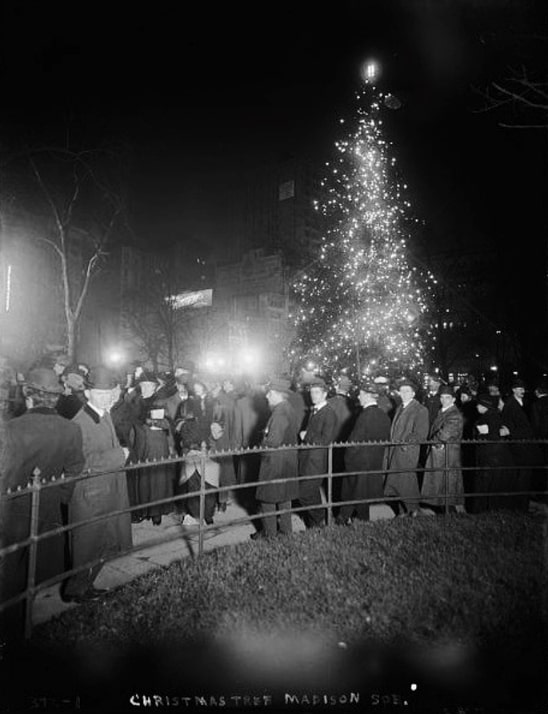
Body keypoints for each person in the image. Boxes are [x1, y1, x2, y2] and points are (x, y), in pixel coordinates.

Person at [0, 368, 84, 641]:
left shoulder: (11, 429)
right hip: (47, 507)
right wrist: (60, 497)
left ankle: (10, 630)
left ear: (29, 396)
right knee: (35, 565)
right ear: (55, 398)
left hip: (11, 509)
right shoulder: (71, 429)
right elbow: (74, 469)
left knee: (10, 571)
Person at [62, 366, 132, 603]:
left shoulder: (103, 414)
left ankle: (84, 586)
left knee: (105, 543)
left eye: (109, 392)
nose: (106, 397)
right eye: (99, 393)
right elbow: (79, 463)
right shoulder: (80, 423)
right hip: (90, 496)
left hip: (106, 491)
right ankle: (76, 590)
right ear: (88, 393)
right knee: (87, 546)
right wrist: (119, 455)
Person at [337, 383, 390, 524]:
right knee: (361, 494)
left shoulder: (365, 415)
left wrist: (347, 458)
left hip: (359, 461)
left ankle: (349, 519)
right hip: (374, 461)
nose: (359, 396)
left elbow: (354, 441)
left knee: (353, 492)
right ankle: (347, 519)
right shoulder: (382, 415)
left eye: (361, 394)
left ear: (367, 395)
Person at [253, 377, 299, 538]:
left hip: (275, 462)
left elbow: (273, 440)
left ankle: (270, 534)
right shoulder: (289, 408)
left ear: (278, 394)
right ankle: (286, 532)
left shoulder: (279, 412)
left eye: (270, 393)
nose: (267, 396)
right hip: (288, 460)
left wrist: (261, 441)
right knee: (285, 498)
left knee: (267, 499)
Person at [384, 379, 429, 516]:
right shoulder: (399, 408)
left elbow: (421, 433)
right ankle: (403, 511)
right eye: (402, 391)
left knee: (407, 480)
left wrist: (407, 445)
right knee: (397, 481)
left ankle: (414, 509)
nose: (403, 393)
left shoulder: (420, 409)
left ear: (413, 393)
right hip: (395, 451)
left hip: (407, 451)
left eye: (407, 391)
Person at [297, 377, 338, 528]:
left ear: (325, 394)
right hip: (308, 459)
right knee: (312, 493)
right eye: (312, 392)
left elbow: (326, 439)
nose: (313, 395)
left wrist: (305, 436)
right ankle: (316, 525)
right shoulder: (314, 411)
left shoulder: (329, 413)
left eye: (317, 392)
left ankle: (321, 518)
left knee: (304, 494)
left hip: (316, 461)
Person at [421, 385, 465, 513]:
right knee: (442, 484)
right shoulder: (444, 412)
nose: (444, 400)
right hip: (441, 453)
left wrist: (432, 441)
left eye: (447, 397)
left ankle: (449, 513)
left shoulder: (454, 415)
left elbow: (444, 434)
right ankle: (445, 511)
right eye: (442, 397)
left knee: (446, 484)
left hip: (446, 454)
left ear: (453, 399)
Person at [501, 378, 542, 511]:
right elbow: (508, 427)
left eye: (523, 389)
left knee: (525, 476)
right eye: (519, 389)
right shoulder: (510, 405)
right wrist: (513, 432)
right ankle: (520, 506)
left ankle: (523, 504)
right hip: (518, 446)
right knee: (522, 477)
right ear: (513, 390)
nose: (522, 391)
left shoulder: (523, 403)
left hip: (525, 445)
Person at [474, 393, 516, 512]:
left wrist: (480, 435)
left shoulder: (486, 418)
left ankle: (485, 509)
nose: (477, 407)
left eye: (478, 404)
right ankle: (492, 508)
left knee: (487, 482)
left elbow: (488, 436)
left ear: (484, 406)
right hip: (496, 455)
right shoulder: (495, 416)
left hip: (489, 455)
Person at [531, 379, 548, 501]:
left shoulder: (536, 405)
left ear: (537, 392)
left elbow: (536, 424)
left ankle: (540, 493)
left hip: (542, 439)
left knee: (541, 466)